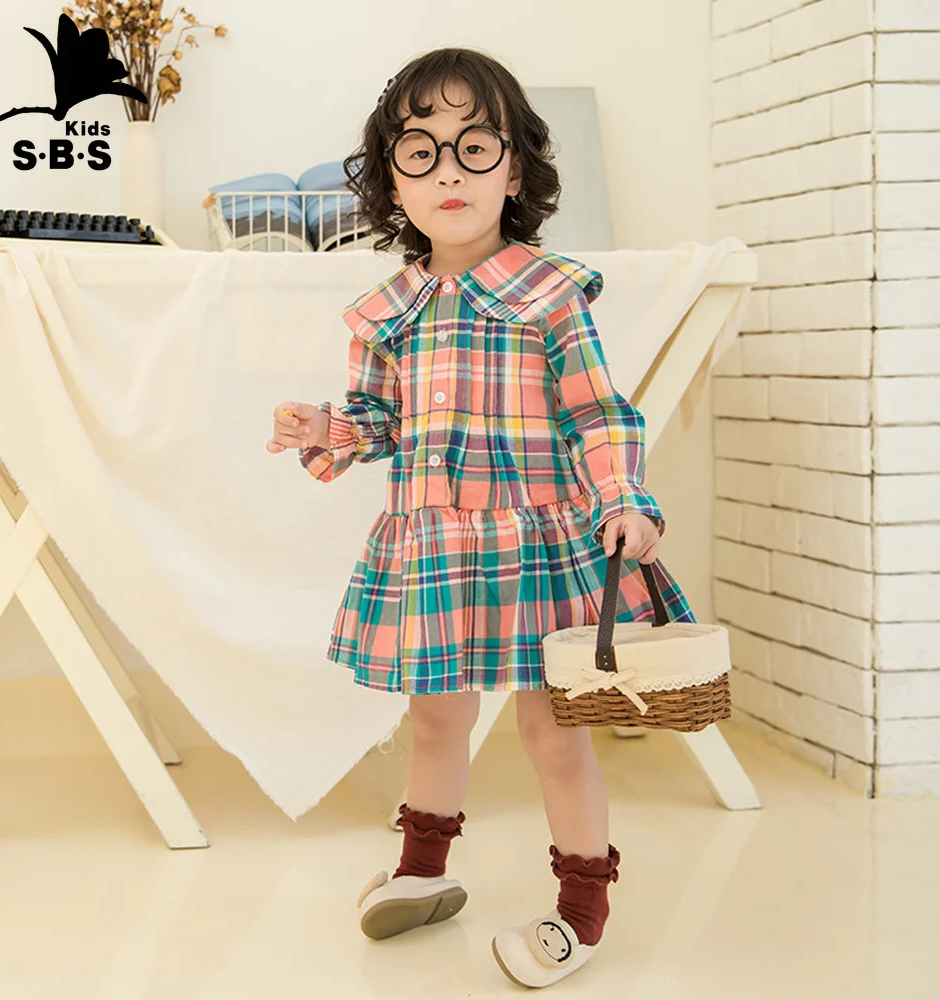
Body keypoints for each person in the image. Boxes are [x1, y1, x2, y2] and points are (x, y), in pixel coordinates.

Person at [267, 46, 693, 989]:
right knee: (434, 720)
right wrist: (328, 428)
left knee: (554, 731)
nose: (448, 172)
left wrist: (624, 498)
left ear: (516, 170)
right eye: (420, 153)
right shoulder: (388, 313)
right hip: (437, 548)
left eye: (474, 147)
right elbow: (380, 420)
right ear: (393, 182)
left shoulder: (548, 295)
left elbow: (598, 413)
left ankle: (583, 902)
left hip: (537, 546)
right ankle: (424, 870)